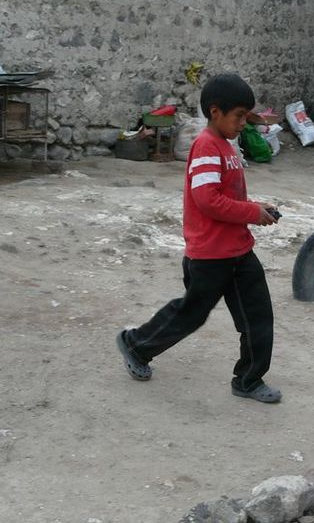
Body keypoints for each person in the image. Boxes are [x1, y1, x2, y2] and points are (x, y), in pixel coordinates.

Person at [115, 73, 283, 403]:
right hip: (210, 257)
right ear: (216, 112)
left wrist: (254, 206)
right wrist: (251, 213)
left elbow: (225, 196)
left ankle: (248, 380)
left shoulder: (227, 146)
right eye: (238, 116)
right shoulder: (206, 145)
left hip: (239, 252)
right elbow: (208, 199)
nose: (241, 124)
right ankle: (136, 344)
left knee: (258, 316)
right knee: (190, 314)